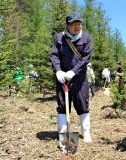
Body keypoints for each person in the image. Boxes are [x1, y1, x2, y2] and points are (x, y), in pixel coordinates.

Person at [50, 12, 93, 152]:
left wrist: (73, 71)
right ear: (67, 26)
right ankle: (63, 134)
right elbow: (54, 55)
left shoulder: (86, 38)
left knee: (82, 102)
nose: (77, 27)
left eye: (79, 24)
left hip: (79, 77)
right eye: (74, 24)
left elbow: (86, 57)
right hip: (62, 78)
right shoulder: (59, 38)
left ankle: (86, 132)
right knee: (62, 104)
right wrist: (58, 71)